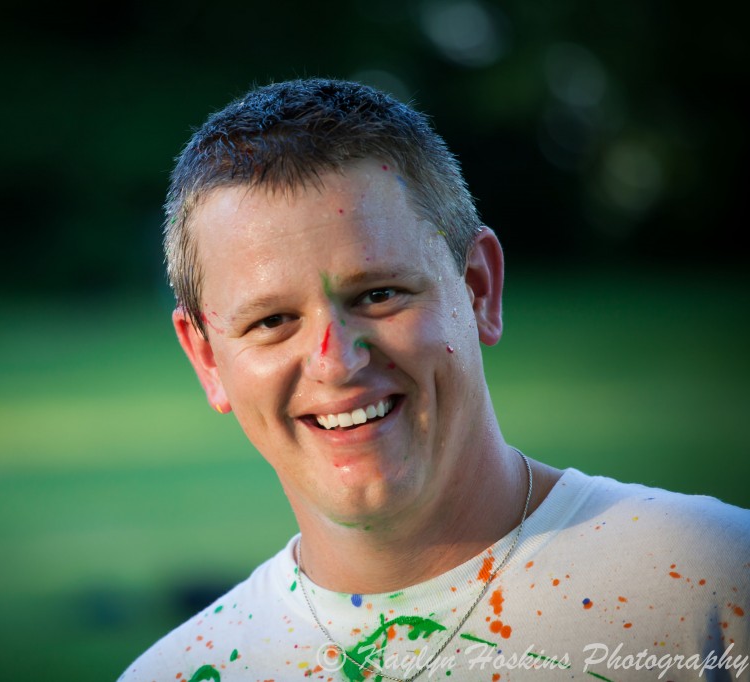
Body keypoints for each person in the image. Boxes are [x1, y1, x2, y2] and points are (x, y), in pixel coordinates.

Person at [120, 78, 750, 682]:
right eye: (272, 320)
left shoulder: (710, 582)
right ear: (207, 360)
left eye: (379, 294)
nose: (336, 361)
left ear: (478, 289)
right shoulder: (184, 671)